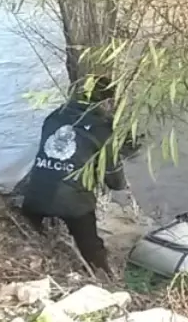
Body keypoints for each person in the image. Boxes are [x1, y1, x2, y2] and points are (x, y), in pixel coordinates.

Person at [20, 76, 141, 275]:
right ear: (106, 102)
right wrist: (120, 185)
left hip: (34, 196)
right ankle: (105, 279)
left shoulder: (54, 116)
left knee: (30, 222)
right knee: (91, 246)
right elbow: (113, 178)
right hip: (73, 204)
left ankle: (35, 242)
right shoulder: (103, 129)